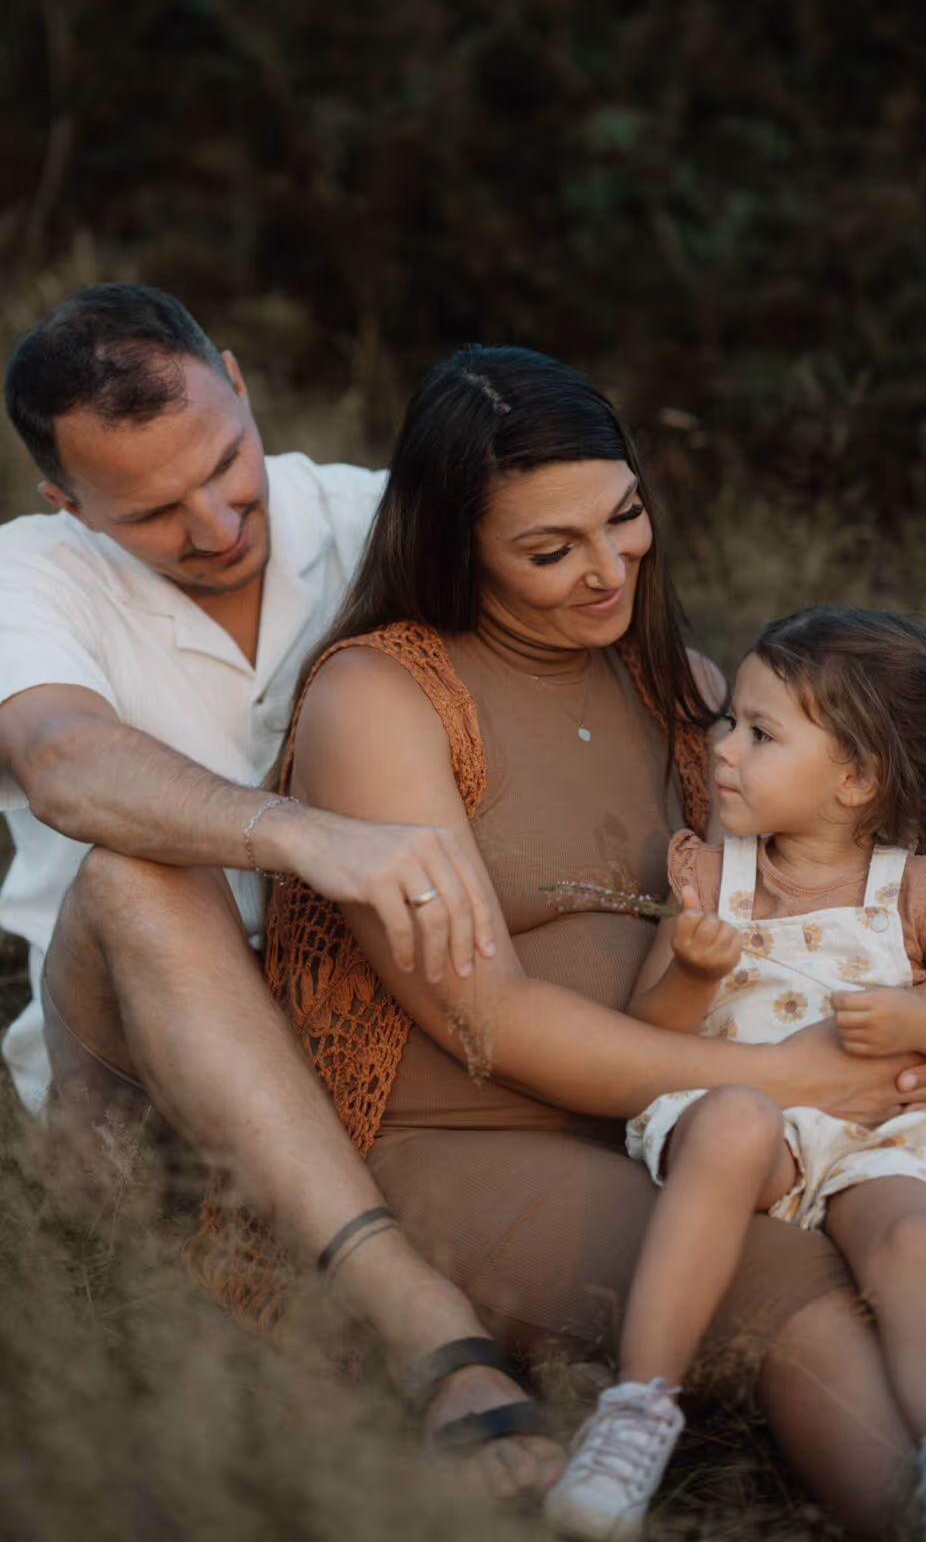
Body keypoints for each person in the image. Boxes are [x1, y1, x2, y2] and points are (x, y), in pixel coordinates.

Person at [197, 344, 926, 1540]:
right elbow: (482, 1019)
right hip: (474, 1136)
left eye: (623, 518)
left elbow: (819, 878)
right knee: (784, 1278)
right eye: (549, 551)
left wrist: (914, 1026)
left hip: (716, 1115)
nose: (606, 569)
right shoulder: (381, 697)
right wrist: (790, 1076)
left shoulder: (678, 685)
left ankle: (906, 1263)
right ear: (457, 545)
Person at [0, 285, 567, 1497]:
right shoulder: (26, 575)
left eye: (225, 462)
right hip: (130, 1094)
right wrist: (298, 835)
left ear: (243, 388)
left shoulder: (374, 516)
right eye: (152, 511)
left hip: (382, 1042)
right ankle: (424, 1328)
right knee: (136, 870)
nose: (214, 523)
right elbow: (59, 758)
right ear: (67, 503)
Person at [545, 606, 926, 1542]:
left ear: (856, 780)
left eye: (759, 733)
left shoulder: (920, 892)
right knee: (738, 1121)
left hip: (873, 1140)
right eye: (726, 723)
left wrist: (919, 1019)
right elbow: (642, 1033)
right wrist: (694, 972)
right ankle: (634, 1414)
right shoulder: (708, 875)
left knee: (909, 1233)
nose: (721, 751)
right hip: (748, 1135)